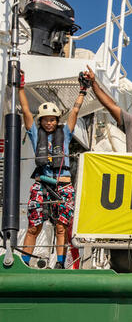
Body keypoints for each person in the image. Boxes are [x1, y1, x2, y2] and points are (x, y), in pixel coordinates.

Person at [18, 70, 86, 268]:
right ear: (41, 121)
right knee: (34, 226)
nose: (49, 122)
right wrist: (21, 87)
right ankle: (24, 262)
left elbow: (74, 112)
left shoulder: (64, 133)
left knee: (61, 227)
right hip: (41, 184)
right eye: (46, 119)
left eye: (53, 119)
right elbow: (25, 111)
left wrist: (82, 91)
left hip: (63, 184)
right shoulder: (33, 133)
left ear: (57, 121)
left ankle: (60, 263)